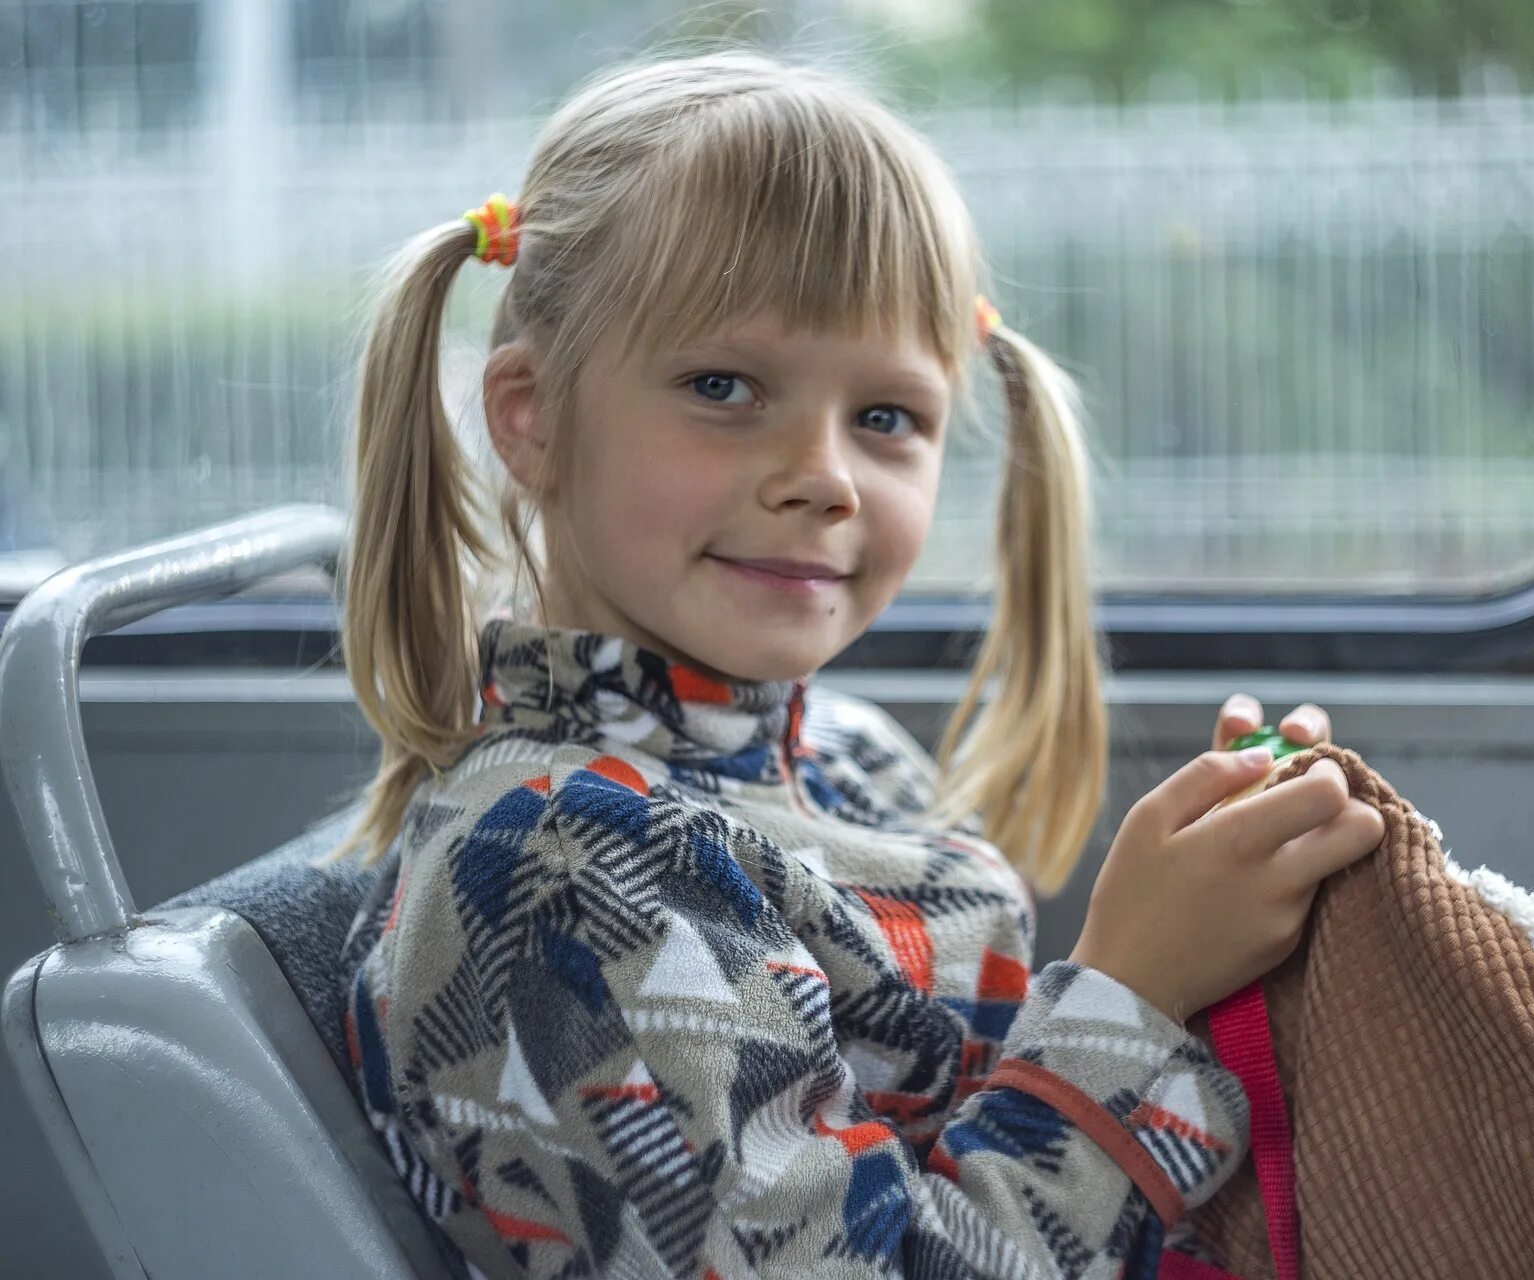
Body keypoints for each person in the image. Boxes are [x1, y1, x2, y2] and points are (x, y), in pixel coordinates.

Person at [326, 50, 1388, 1279]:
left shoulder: (844, 755)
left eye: (885, 417)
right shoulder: (564, 868)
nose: (825, 476)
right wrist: (1135, 992)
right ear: (531, 418)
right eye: (723, 386)